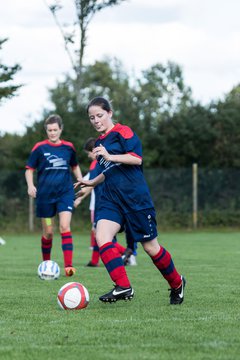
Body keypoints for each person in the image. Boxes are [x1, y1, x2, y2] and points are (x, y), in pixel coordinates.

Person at [75, 97, 186, 304]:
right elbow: (108, 171)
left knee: (151, 248)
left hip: (135, 199)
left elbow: (136, 158)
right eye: (92, 118)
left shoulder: (123, 131)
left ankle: (177, 283)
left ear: (109, 113)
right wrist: (91, 183)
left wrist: (110, 156)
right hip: (112, 199)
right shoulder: (99, 143)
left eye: (99, 115)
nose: (96, 120)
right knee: (102, 236)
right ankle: (123, 286)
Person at [25, 114, 83, 277]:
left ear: (60, 130)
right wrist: (30, 185)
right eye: (49, 130)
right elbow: (29, 169)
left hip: (65, 194)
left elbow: (75, 166)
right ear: (46, 131)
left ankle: (69, 267)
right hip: (45, 197)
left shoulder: (68, 147)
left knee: (65, 226)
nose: (52, 133)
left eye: (55, 130)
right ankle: (46, 265)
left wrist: (81, 180)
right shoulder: (39, 148)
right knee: (49, 231)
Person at [74, 137, 134, 267]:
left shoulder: (98, 163)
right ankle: (96, 261)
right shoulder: (103, 162)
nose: (89, 156)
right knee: (100, 233)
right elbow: (92, 182)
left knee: (102, 234)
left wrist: (80, 198)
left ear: (93, 150)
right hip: (106, 201)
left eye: (89, 153)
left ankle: (125, 252)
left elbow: (92, 183)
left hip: (103, 202)